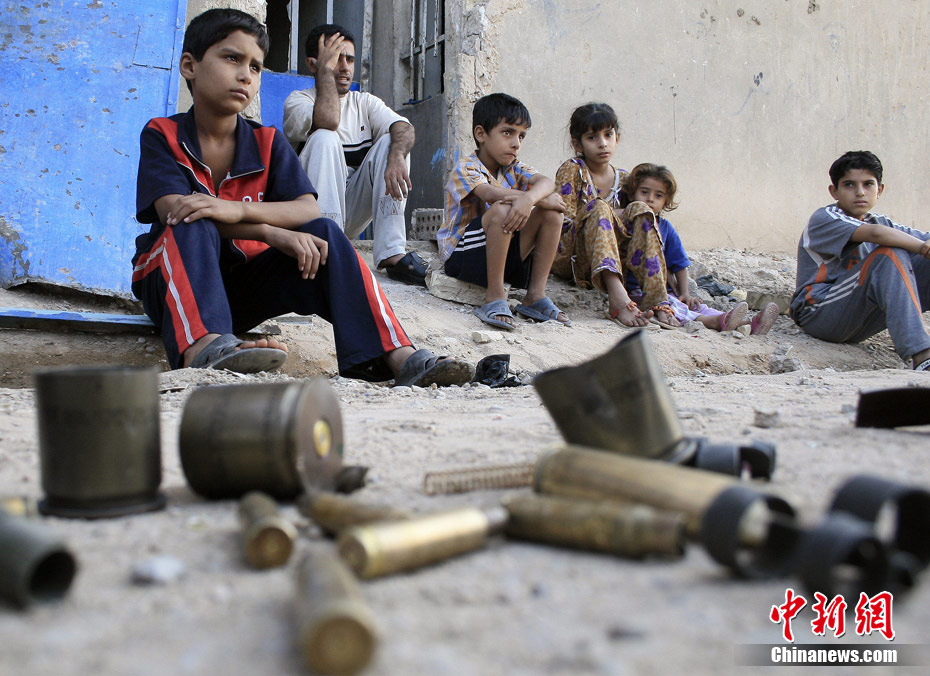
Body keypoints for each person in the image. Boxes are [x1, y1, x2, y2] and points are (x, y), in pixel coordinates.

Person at [131, 8, 474, 388]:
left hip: (240, 293)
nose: (246, 74)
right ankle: (202, 346)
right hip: (171, 283)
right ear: (190, 66)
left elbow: (306, 208)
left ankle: (394, 354)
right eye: (232, 58)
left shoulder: (266, 142)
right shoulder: (162, 133)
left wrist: (228, 209)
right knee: (192, 227)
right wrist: (271, 233)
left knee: (324, 231)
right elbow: (174, 211)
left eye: (256, 67)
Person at [282, 24, 427, 286]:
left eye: (349, 59)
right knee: (325, 136)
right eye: (335, 58)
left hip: (350, 211)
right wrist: (326, 73)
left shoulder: (364, 102)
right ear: (313, 64)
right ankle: (327, 246)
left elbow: (404, 127)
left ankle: (391, 253)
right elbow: (327, 119)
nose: (345, 67)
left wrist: (395, 159)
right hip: (310, 217)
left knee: (392, 141)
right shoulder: (298, 101)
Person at [437, 93, 570, 330]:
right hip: (462, 258)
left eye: (521, 136)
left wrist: (531, 199)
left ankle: (535, 296)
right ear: (481, 134)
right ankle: (495, 297)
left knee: (553, 214)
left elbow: (548, 183)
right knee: (503, 209)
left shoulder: (515, 167)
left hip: (503, 256)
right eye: (507, 132)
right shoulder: (466, 167)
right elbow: (489, 194)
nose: (516, 143)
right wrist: (536, 200)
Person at [790, 150, 930, 370]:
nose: (860, 192)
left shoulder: (881, 221)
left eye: (868, 184)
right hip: (819, 314)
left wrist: (925, 246)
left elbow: (924, 239)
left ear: (880, 190)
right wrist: (922, 247)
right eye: (849, 185)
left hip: (858, 320)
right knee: (889, 255)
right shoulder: (825, 218)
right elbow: (875, 234)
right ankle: (922, 356)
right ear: (833, 191)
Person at [620, 163, 778, 333]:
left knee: (693, 306)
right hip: (639, 291)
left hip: (666, 290)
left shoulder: (666, 228)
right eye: (644, 192)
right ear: (632, 193)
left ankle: (749, 323)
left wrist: (685, 292)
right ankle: (715, 322)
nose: (650, 199)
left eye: (658, 195)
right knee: (677, 308)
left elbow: (679, 264)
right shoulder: (625, 226)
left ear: (666, 201)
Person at [551, 103, 649, 328]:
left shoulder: (625, 179)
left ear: (618, 137)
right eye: (592, 137)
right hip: (574, 258)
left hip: (613, 257)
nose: (603, 143)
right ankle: (617, 296)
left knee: (642, 209)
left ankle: (658, 300)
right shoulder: (573, 169)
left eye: (608, 135)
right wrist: (608, 212)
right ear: (578, 144)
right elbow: (564, 222)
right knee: (598, 207)